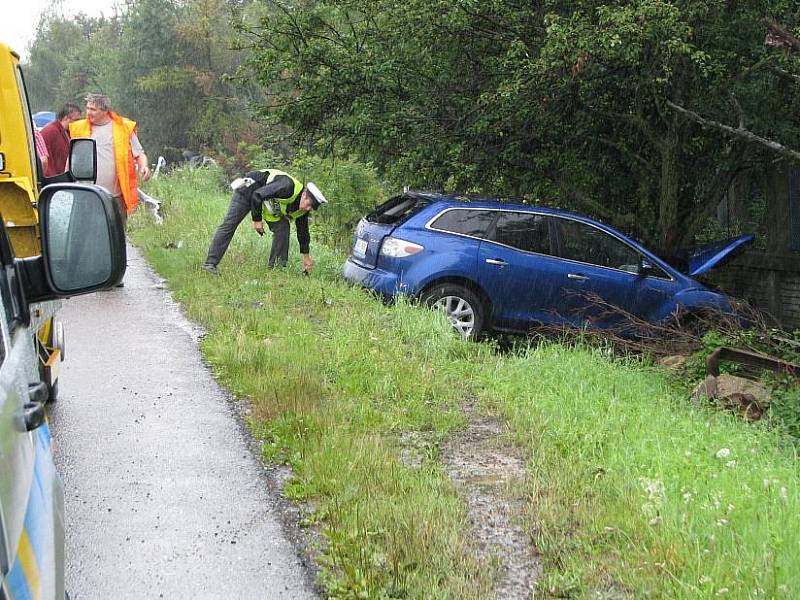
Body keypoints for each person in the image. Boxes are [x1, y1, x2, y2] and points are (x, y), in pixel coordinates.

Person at [202, 169, 328, 275]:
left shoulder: (303, 210)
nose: (308, 209)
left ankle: (276, 270)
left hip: (266, 204)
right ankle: (210, 264)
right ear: (304, 195)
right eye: (309, 205)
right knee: (229, 224)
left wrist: (306, 256)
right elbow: (257, 195)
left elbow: (303, 232)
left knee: (283, 227)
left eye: (311, 208)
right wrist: (257, 220)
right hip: (249, 190)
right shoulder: (287, 187)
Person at [68, 93, 151, 229]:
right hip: (87, 194)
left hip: (115, 196)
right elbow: (71, 158)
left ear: (105, 110)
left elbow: (139, 154)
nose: (88, 112)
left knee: (116, 234)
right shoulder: (79, 128)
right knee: (88, 234)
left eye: (93, 109)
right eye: (88, 108)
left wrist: (144, 167)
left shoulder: (122, 127)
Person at [40, 103, 81, 176]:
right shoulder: (49, 131)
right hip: (53, 178)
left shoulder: (68, 132)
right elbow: (44, 157)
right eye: (76, 120)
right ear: (66, 118)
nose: (78, 123)